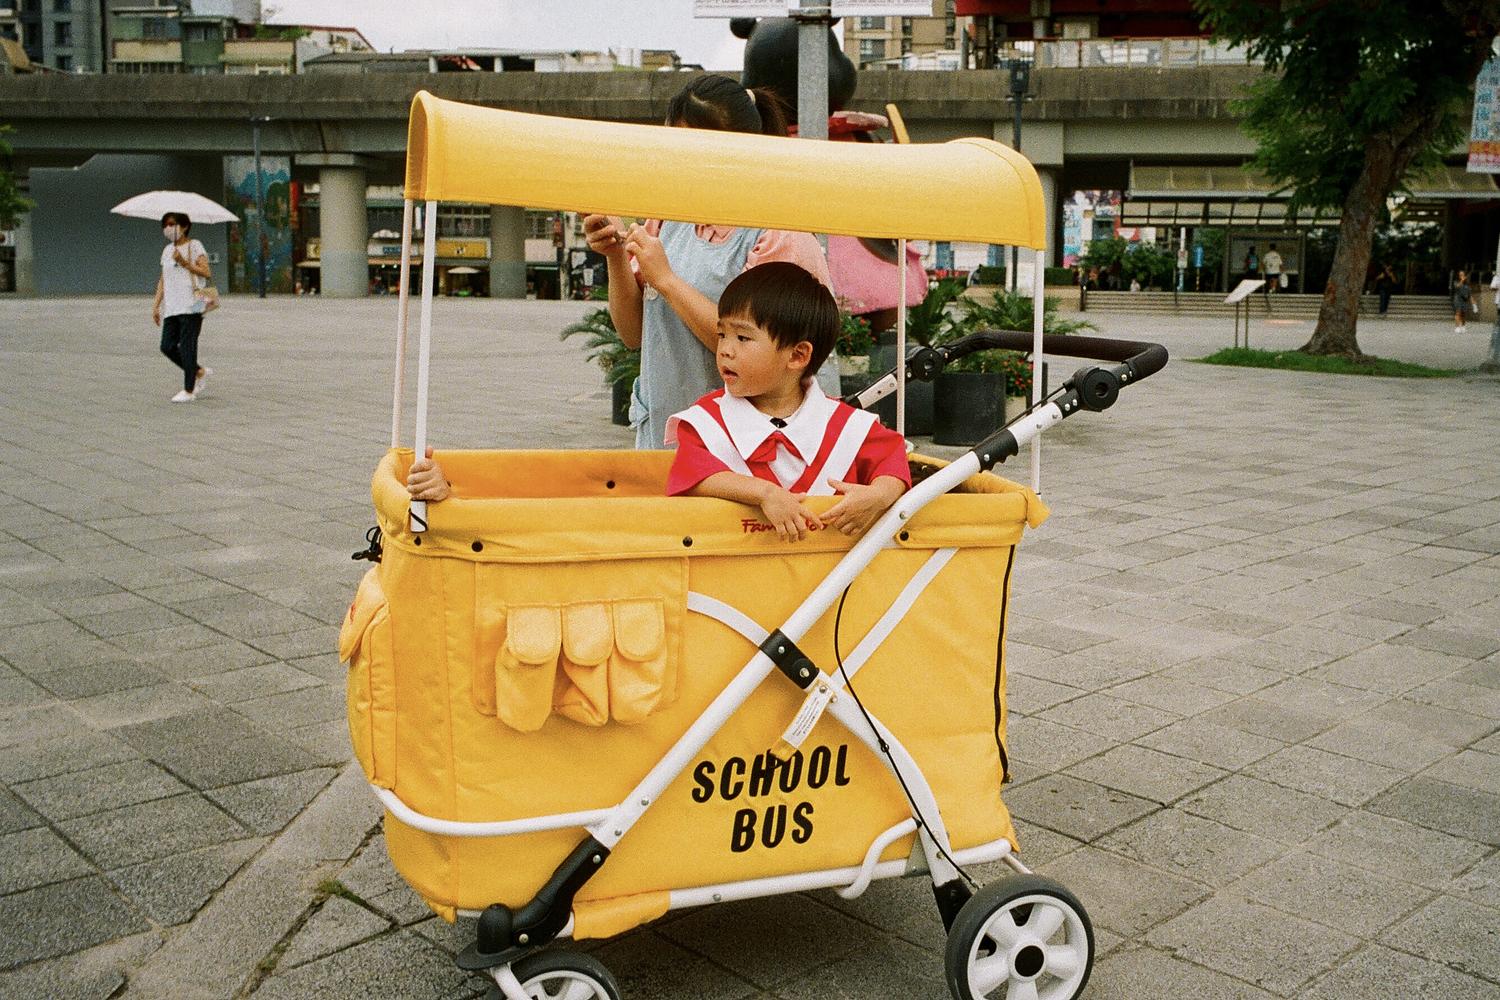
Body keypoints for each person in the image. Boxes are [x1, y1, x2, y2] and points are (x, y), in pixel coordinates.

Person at [581, 74, 832, 450]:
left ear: (736, 150)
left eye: (687, 148)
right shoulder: (668, 218)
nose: (673, 161)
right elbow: (633, 336)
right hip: (662, 437)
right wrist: (616, 255)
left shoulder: (779, 235)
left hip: (745, 449)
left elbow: (758, 351)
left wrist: (666, 280)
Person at [664, 262, 910, 541]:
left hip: (835, 569)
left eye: (742, 337)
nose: (725, 350)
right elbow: (693, 476)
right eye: (722, 335)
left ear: (797, 356)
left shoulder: (848, 427)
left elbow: (894, 463)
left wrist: (879, 495)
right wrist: (764, 493)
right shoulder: (706, 422)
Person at [152, 212, 213, 403]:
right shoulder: (167, 251)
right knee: (167, 346)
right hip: (172, 306)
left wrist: (184, 263)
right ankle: (198, 371)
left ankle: (188, 390)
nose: (168, 229)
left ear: (185, 226)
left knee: (187, 347)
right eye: (165, 225)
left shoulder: (195, 246)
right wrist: (156, 305)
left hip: (191, 305)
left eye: (172, 224)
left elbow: (206, 272)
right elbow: (163, 279)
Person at [1453, 269, 1472, 333]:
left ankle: (1463, 326)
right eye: (1460, 275)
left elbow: (1469, 293)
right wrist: (1462, 280)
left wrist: (1472, 301)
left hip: (1465, 300)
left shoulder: (1467, 284)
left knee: (1463, 314)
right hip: (1458, 299)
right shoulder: (1456, 282)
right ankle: (1457, 327)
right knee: (1458, 312)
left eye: (1463, 275)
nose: (1462, 276)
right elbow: (1457, 287)